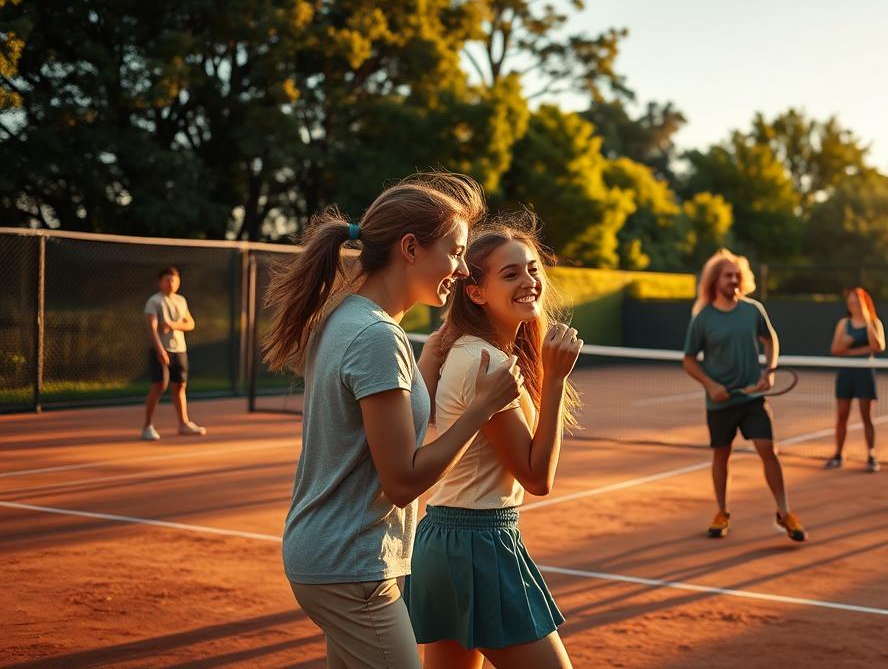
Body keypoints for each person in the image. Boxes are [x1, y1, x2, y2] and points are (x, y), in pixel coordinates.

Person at [266, 173, 522, 669]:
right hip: (352, 567)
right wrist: (480, 409)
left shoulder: (349, 319)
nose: (463, 268)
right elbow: (402, 481)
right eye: (455, 251)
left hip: (332, 559)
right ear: (410, 247)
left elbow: (398, 419)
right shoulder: (377, 337)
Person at [405, 212, 582, 669]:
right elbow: (537, 476)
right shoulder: (486, 362)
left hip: (446, 537)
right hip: (476, 543)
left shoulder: (475, 351)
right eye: (511, 273)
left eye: (532, 269)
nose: (529, 281)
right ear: (476, 291)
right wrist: (557, 378)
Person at [682, 249, 807, 542]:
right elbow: (688, 360)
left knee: (768, 449)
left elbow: (770, 338)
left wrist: (770, 371)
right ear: (715, 280)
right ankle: (722, 511)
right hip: (719, 402)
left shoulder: (753, 310)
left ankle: (784, 512)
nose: (734, 279)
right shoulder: (702, 319)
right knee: (721, 456)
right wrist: (710, 385)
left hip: (752, 400)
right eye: (728, 275)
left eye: (737, 274)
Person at [141, 266, 206, 440]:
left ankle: (184, 424)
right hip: (161, 350)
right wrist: (160, 349)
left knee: (180, 385)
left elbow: (190, 324)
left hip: (180, 349)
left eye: (174, 280)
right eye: (167, 280)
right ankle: (147, 426)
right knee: (160, 385)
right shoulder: (154, 301)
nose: (171, 283)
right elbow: (152, 327)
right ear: (160, 282)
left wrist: (173, 325)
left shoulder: (181, 300)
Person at [825, 286, 885, 472]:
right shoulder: (844, 323)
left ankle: (871, 455)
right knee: (841, 416)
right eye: (850, 302)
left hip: (865, 373)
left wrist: (867, 323)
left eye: (856, 302)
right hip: (846, 373)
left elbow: (878, 346)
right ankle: (838, 454)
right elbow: (836, 350)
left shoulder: (874, 322)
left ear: (864, 302)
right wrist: (852, 346)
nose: (853, 305)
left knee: (867, 417)